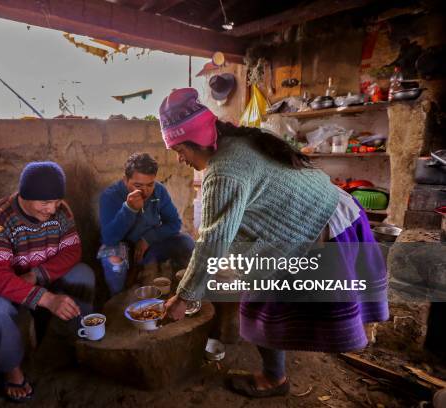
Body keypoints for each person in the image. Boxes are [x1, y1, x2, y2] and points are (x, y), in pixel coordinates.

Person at [159, 88, 388, 398]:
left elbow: (212, 241)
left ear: (196, 140)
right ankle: (275, 375)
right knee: (262, 296)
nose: (180, 159)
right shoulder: (236, 141)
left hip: (321, 225)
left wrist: (183, 296)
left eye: (179, 149)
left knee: (260, 303)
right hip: (329, 212)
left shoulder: (223, 170)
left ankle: (273, 379)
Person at [0, 161, 95, 402]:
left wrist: (38, 276)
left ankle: (77, 341)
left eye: (56, 201)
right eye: (44, 203)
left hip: (43, 274)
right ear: (24, 196)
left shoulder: (62, 210)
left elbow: (72, 252)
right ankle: (12, 369)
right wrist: (46, 298)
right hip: (6, 282)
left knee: (83, 275)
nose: (52, 209)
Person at [98, 152, 194, 296]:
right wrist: (129, 209)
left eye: (150, 184)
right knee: (111, 257)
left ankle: (182, 292)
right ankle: (118, 299)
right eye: (138, 185)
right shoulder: (110, 196)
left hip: (150, 245)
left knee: (187, 242)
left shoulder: (159, 191)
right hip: (125, 246)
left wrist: (148, 239)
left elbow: (174, 223)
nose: (145, 191)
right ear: (125, 180)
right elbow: (109, 239)